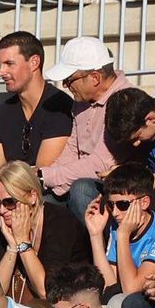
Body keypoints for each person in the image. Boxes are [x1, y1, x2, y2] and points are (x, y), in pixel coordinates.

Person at [41, 37, 130, 215]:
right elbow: (73, 148)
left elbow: (100, 164)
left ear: (95, 78)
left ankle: (99, 242)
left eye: (69, 79)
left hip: (118, 187)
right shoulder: (82, 101)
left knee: (81, 190)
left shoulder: (125, 101)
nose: (65, 85)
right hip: (84, 180)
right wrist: (44, 177)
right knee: (40, 202)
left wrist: (46, 176)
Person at [0, 160, 85, 308]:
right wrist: (12, 248)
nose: (2, 210)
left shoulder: (61, 222)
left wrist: (23, 242)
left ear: (32, 196)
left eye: (9, 201)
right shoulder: (2, 226)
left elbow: (47, 292)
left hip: (69, 304)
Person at [0, 31, 73, 174]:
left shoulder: (60, 107)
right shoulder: (3, 113)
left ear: (34, 63)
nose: (1, 72)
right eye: (0, 64)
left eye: (9, 64)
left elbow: (43, 174)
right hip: (3, 192)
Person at [87, 162, 155, 301]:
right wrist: (95, 235)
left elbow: (132, 289)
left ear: (144, 202)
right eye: (111, 205)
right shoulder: (116, 226)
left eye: (123, 205)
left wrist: (123, 235)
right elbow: (107, 285)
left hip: (150, 301)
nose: (115, 213)